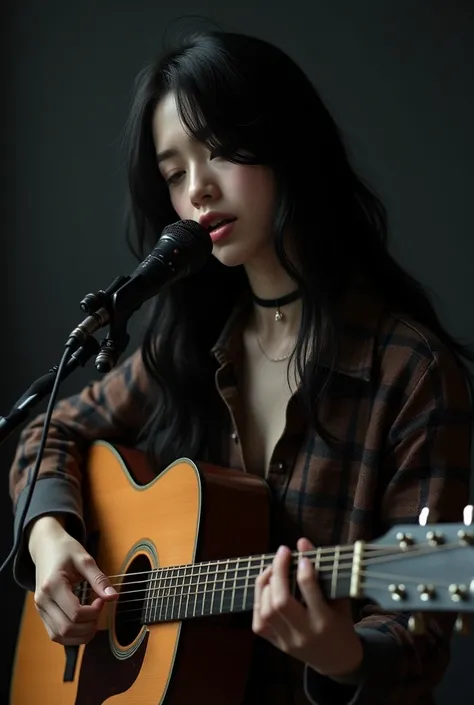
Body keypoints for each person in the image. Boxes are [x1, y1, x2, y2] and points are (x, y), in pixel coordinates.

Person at [8, 28, 473, 705]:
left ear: (286, 143)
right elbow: (47, 431)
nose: (198, 189)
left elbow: (418, 643)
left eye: (220, 150)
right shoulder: (185, 346)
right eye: (174, 172)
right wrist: (51, 536)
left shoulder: (410, 372)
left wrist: (342, 652)